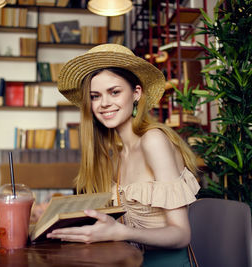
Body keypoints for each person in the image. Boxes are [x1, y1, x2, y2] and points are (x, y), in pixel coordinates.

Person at [47, 44, 200, 266]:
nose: (104, 103)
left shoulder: (153, 140)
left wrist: (122, 232)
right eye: (95, 96)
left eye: (115, 92)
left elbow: (181, 235)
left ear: (136, 93)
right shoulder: (116, 154)